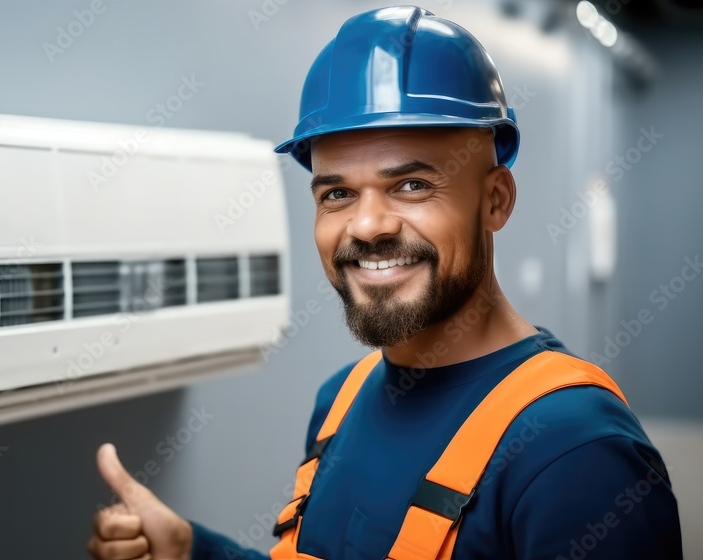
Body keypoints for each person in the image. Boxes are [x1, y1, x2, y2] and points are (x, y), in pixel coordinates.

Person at [86, 6, 683, 559]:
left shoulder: (576, 455)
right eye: (338, 193)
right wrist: (193, 549)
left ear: (495, 201)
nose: (367, 226)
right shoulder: (340, 401)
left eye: (413, 185)